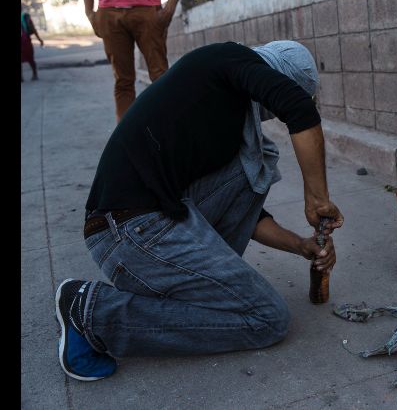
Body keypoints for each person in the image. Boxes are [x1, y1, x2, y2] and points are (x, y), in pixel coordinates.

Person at [54, 40, 344, 381]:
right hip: (127, 232)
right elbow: (297, 107)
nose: (269, 113)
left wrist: (300, 245)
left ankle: (198, 279)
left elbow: (242, 204)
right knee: (268, 318)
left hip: (144, 223)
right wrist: (317, 198)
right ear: (272, 75)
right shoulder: (229, 60)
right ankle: (92, 313)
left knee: (258, 159)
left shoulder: (222, 102)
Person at [80, 0, 186, 122]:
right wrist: (90, 13)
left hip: (147, 11)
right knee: (123, 82)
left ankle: (169, 133)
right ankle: (129, 143)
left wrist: (169, 9)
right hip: (109, 14)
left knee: (160, 77)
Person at [21, 4, 44, 82]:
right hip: (25, 41)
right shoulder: (25, 16)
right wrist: (39, 39)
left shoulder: (25, 17)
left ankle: (33, 74)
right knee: (30, 58)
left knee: (29, 58)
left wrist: (39, 39)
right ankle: (33, 74)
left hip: (25, 41)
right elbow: (33, 29)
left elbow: (32, 29)